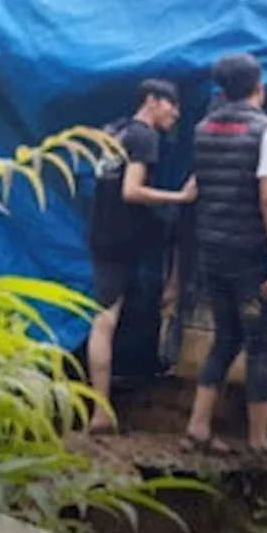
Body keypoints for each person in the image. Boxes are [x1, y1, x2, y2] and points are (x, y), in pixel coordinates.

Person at [182, 52, 267, 456]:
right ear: (259, 87)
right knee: (260, 343)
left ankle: (197, 426)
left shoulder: (203, 128)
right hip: (252, 254)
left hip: (212, 248)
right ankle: (259, 440)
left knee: (225, 338)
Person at [86, 78, 196, 435]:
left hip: (104, 234)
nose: (176, 113)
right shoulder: (144, 137)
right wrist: (178, 198)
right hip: (121, 240)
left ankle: (104, 405)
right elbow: (131, 191)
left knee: (110, 318)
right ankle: (100, 413)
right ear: (152, 101)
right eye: (172, 105)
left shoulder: (114, 130)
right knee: (105, 322)